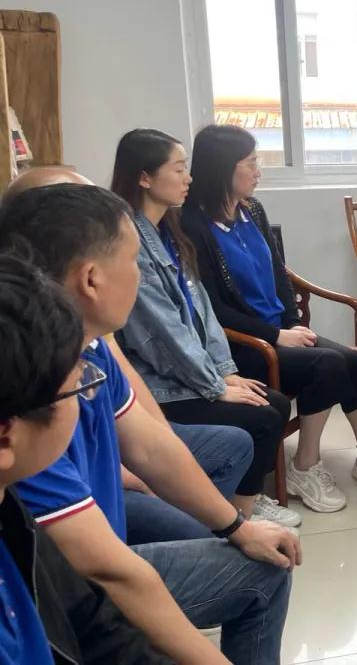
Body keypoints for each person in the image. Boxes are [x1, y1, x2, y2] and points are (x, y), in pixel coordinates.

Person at [0, 184, 299, 665]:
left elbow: (152, 446)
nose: (141, 275)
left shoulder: (90, 345)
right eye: (134, 261)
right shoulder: (33, 396)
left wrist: (236, 526)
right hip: (76, 588)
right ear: (91, 279)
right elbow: (105, 573)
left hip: (95, 555)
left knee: (234, 503)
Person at [4, 163, 259, 543]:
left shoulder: (90, 340)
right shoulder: (34, 366)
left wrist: (235, 528)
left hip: (104, 486)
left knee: (229, 452)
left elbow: (144, 438)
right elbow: (89, 556)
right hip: (75, 538)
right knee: (234, 557)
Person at [182, 124, 357, 506]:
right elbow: (212, 309)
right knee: (327, 366)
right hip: (241, 347)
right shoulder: (192, 226)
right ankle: (304, 467)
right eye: (251, 163)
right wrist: (275, 336)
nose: (258, 172)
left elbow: (279, 273)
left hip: (279, 331)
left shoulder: (252, 209)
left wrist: (291, 323)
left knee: (354, 360)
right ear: (222, 168)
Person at [111, 129, 302, 527]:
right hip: (162, 384)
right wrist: (215, 385)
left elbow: (203, 310)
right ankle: (238, 519)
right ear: (145, 177)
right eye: (178, 169)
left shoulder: (170, 228)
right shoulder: (132, 243)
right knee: (264, 416)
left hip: (195, 370)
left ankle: (243, 503)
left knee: (275, 403)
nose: (189, 178)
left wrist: (226, 371)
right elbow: (163, 335)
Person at [0, 252, 171, 664]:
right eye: (79, 386)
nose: (88, 392)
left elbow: (93, 622)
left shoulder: (12, 511)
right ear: (5, 437)